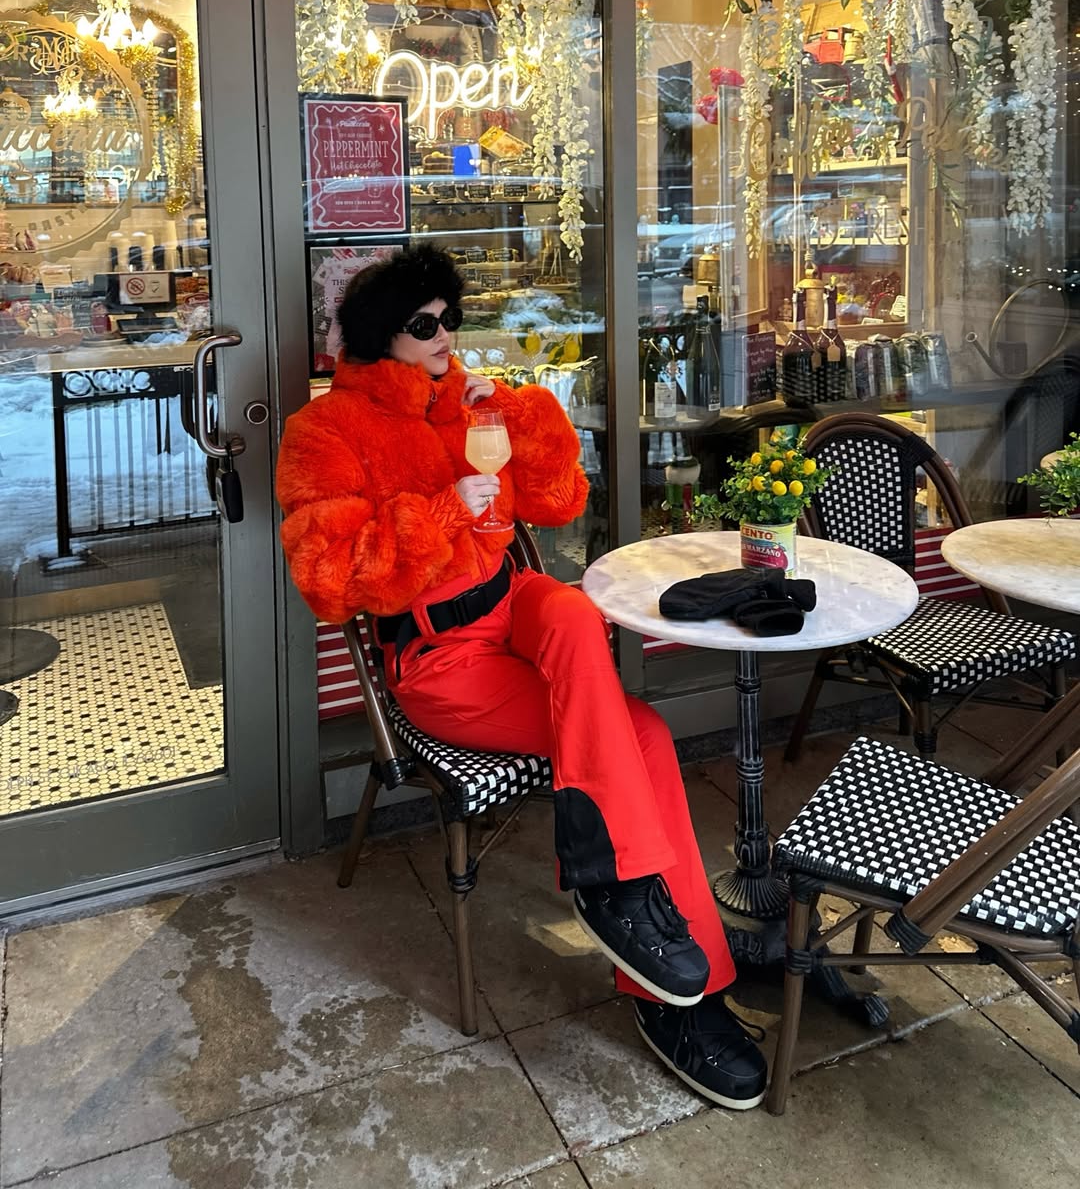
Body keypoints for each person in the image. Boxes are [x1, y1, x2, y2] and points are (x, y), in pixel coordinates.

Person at [276, 244, 766, 1110]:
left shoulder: (470, 402)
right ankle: (673, 978)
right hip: (441, 656)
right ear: (379, 337)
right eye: (424, 324)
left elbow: (559, 501)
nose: (445, 334)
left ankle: (621, 893)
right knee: (645, 735)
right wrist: (438, 512)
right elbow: (329, 579)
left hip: (518, 609)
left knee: (572, 610)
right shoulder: (327, 432)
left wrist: (518, 415)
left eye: (451, 317)